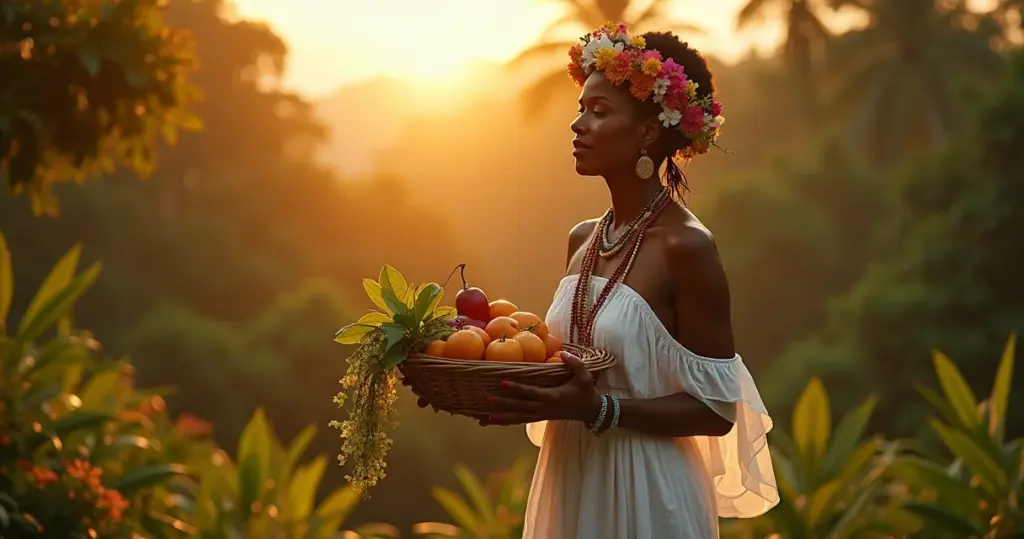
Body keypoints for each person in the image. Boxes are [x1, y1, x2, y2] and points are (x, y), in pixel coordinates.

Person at [414, 23, 778, 539]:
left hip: (646, 491)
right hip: (571, 478)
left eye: (598, 111)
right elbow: (565, 364)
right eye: (581, 107)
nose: (577, 124)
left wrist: (602, 409)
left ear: (649, 132)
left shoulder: (686, 247)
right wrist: (492, 387)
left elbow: (717, 410)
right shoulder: (583, 239)